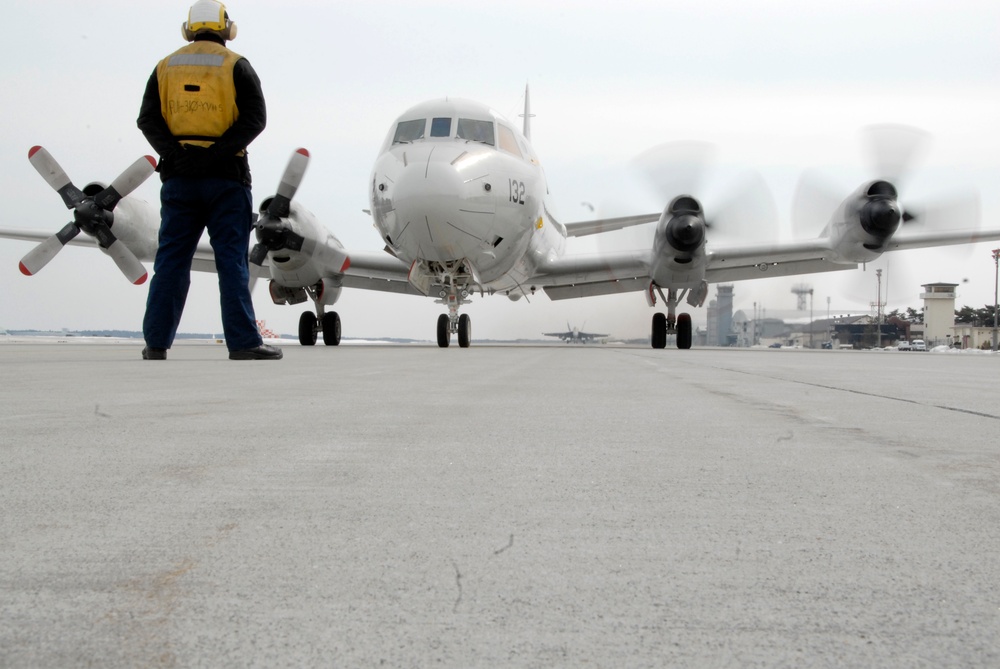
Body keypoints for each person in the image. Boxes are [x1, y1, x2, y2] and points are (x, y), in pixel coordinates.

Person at [136, 0, 281, 360]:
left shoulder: (164, 66)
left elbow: (147, 120)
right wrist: (214, 154)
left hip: (179, 180)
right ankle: (244, 344)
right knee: (231, 262)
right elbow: (255, 120)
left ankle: (155, 343)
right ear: (226, 29)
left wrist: (176, 154)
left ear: (188, 29)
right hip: (226, 181)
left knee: (170, 260)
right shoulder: (237, 65)